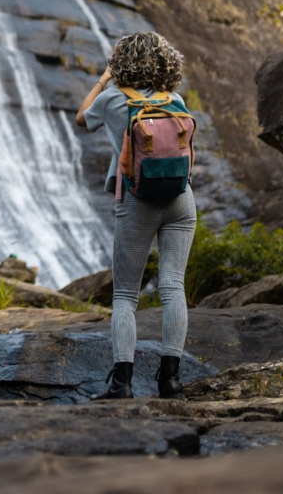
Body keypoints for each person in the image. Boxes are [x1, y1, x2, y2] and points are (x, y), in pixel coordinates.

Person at [75, 32, 195, 400]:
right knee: (173, 286)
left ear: (123, 63)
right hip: (181, 199)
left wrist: (104, 77)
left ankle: (122, 384)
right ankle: (170, 381)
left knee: (125, 294)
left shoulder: (112, 100)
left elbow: (82, 118)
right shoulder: (174, 99)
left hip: (138, 199)